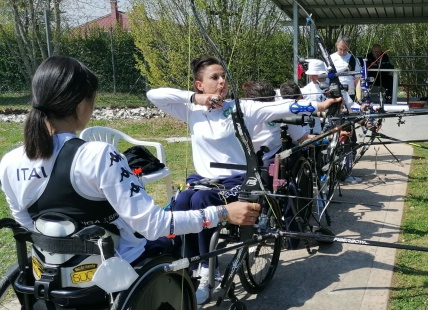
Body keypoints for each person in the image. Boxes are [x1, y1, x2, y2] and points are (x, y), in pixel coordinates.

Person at [0, 56, 260, 303]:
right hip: (115, 272)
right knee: (173, 243)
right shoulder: (98, 154)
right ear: (82, 103)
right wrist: (222, 212)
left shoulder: (9, 161)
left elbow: (25, 223)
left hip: (50, 276)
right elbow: (154, 225)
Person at [146, 55, 341, 304]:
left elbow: (281, 107)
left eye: (223, 76)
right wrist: (197, 100)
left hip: (237, 180)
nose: (221, 81)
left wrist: (320, 105)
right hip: (203, 179)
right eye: (214, 78)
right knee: (183, 199)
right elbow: (154, 94)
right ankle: (190, 265)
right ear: (199, 85)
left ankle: (208, 270)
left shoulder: (240, 108)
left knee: (202, 200)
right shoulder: (191, 110)